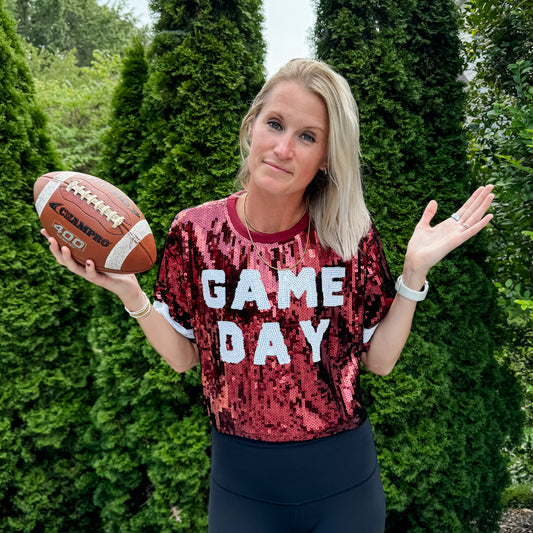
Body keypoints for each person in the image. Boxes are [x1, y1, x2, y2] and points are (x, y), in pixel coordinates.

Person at [42, 58, 494, 533]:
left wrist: (413, 273)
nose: (282, 148)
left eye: (307, 136)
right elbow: (183, 358)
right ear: (250, 128)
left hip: (343, 481)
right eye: (275, 124)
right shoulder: (194, 232)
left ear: (325, 158)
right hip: (241, 484)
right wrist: (128, 291)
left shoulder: (348, 237)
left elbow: (377, 361)